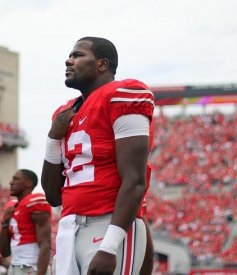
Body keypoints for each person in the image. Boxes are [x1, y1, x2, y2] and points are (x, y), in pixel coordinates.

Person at [42, 37, 154, 275]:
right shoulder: (64, 113)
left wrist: (110, 246)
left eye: (78, 55)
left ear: (102, 64)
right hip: (69, 227)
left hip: (107, 223)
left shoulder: (123, 94)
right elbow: (52, 196)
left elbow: (134, 180)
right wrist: (53, 138)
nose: (68, 60)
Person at [0, 169, 52, 275]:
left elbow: (45, 244)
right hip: (14, 266)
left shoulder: (35, 203)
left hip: (30, 266)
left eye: (16, 179)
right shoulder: (12, 207)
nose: (11, 182)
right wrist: (4, 223)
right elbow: (4, 252)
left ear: (28, 183)